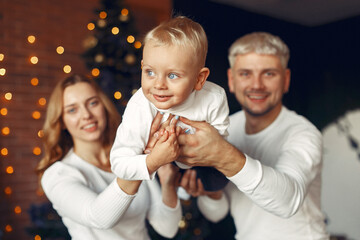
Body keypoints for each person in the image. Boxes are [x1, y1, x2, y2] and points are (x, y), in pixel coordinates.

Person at [177, 32, 330, 239]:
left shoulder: (303, 133)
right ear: (231, 80)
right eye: (245, 74)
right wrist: (212, 193)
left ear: (285, 80)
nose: (256, 85)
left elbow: (288, 202)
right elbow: (217, 213)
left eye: (269, 74)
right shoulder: (226, 127)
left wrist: (223, 155)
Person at [36, 74, 182, 240]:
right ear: (61, 121)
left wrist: (168, 183)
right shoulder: (58, 174)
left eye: (92, 103)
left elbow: (168, 228)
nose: (86, 115)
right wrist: (148, 163)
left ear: (103, 106)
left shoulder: (130, 155)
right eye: (72, 110)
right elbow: (98, 217)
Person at [110, 16, 230, 192]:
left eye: (172, 75)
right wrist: (154, 160)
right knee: (152, 183)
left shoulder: (214, 97)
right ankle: (170, 191)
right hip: (157, 160)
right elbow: (119, 163)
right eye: (150, 72)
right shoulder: (140, 106)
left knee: (217, 181)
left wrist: (187, 148)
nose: (159, 85)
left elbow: (220, 138)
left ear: (199, 79)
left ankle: (189, 193)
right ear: (142, 67)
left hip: (199, 157)